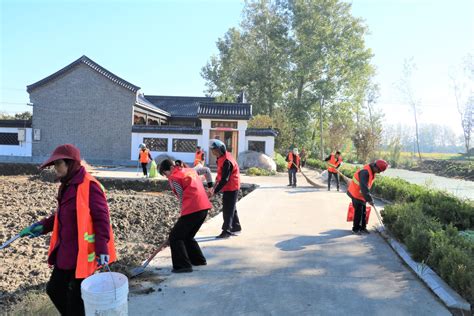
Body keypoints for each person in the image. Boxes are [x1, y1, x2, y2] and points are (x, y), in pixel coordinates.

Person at [19, 144, 116, 315]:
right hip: (66, 253)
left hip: (83, 254)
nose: (55, 168)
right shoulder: (66, 185)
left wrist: (102, 249)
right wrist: (42, 226)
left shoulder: (90, 186)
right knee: (54, 290)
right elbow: (61, 215)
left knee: (76, 301)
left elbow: (102, 219)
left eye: (58, 164)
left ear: (70, 164)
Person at [159, 159, 211, 273]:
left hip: (193, 208)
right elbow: (206, 171)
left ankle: (183, 266)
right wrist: (210, 186)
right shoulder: (189, 170)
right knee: (187, 236)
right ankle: (198, 260)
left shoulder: (174, 177)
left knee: (175, 237)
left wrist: (183, 213)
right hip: (204, 207)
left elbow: (182, 196)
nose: (166, 176)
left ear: (170, 169)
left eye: (165, 173)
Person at [207, 139, 242, 239]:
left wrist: (215, 191)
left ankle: (226, 231)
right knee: (231, 208)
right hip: (228, 186)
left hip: (232, 186)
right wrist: (214, 186)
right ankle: (236, 227)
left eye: (214, 150)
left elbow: (225, 179)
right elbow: (220, 176)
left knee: (228, 209)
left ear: (220, 149)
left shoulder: (227, 161)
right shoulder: (221, 158)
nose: (213, 152)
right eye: (212, 150)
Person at [347, 159, 388, 235]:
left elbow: (367, 186)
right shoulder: (365, 172)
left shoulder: (372, 171)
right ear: (376, 167)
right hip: (355, 193)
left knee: (364, 211)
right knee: (358, 212)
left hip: (361, 195)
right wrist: (370, 199)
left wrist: (368, 197)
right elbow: (364, 187)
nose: (379, 172)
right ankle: (355, 229)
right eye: (379, 171)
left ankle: (363, 228)